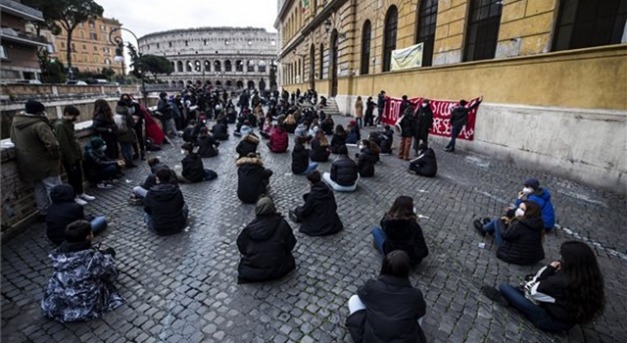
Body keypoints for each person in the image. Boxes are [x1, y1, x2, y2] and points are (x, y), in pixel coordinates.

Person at [481, 241, 605, 333]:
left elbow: (535, 288)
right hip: (566, 320)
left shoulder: (561, 280)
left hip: (548, 319)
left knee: (505, 287)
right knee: (520, 290)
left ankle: (508, 299)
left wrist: (550, 268)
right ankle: (512, 298)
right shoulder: (588, 277)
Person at [41, 220, 125, 322]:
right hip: (85, 300)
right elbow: (111, 274)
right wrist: (107, 257)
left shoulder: (58, 256)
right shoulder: (91, 258)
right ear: (88, 237)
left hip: (63, 298)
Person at [345, 250, 427, 343]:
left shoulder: (372, 286)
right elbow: (421, 312)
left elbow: (360, 293)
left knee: (354, 299)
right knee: (417, 312)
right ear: (406, 270)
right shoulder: (415, 295)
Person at [10, 99, 62, 219]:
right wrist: (55, 157)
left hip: (27, 163)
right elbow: (53, 144)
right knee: (53, 187)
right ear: (39, 112)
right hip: (45, 162)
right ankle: (59, 211)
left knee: (39, 187)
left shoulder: (16, 123)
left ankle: (43, 212)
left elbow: (13, 139)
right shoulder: (40, 125)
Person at [236, 196, 297, 284]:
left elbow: (241, 246)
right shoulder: (282, 223)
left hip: (253, 271)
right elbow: (291, 243)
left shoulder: (249, 228)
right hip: (279, 268)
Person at [473, 200, 545, 265]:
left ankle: (483, 229)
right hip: (531, 258)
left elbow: (506, 236)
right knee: (500, 223)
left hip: (512, 255)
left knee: (497, 220)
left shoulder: (521, 224)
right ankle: (490, 227)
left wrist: (505, 224)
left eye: (522, 209)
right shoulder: (537, 224)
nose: (518, 210)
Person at [53, 105, 95, 205]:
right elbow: (64, 144)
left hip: (75, 155)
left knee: (78, 175)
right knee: (73, 177)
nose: (75, 118)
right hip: (69, 157)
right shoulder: (61, 126)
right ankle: (74, 196)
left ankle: (81, 193)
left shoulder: (68, 124)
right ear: (67, 114)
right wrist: (71, 159)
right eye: (74, 116)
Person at [371, 196, 429, 265]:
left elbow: (383, 225)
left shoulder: (388, 222)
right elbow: (423, 249)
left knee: (376, 230)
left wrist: (389, 215)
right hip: (410, 260)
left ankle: (386, 257)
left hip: (392, 256)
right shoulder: (414, 226)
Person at [289, 171, 343, 236]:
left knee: (301, 213)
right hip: (332, 222)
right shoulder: (328, 191)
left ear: (311, 182)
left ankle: (296, 216)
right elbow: (334, 206)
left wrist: (298, 210)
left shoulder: (312, 196)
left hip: (319, 223)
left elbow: (305, 211)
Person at [144, 168, 188, 235]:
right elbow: (181, 204)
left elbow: (147, 209)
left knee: (146, 215)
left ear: (158, 179)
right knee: (185, 207)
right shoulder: (176, 190)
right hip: (178, 225)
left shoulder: (151, 193)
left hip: (159, 228)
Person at [113, 101, 137, 168]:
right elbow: (132, 124)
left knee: (123, 149)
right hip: (128, 133)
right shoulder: (127, 114)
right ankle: (130, 162)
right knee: (129, 148)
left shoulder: (116, 115)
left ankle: (126, 162)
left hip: (120, 134)